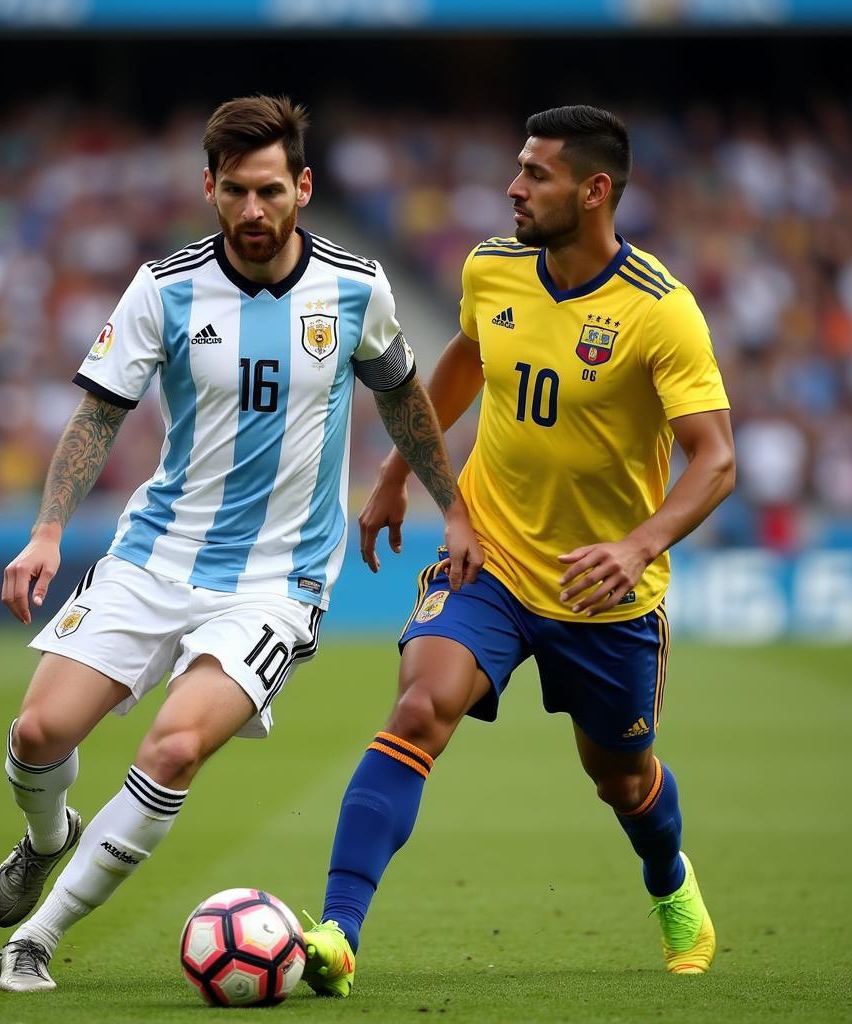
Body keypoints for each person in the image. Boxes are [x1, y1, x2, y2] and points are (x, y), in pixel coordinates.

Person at [0, 94, 483, 993]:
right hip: (156, 556)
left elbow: (404, 398)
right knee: (35, 732)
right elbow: (101, 413)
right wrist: (47, 530)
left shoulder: (356, 288)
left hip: (277, 582)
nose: (252, 213)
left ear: (301, 186)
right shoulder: (164, 288)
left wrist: (449, 504)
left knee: (172, 750)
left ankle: (39, 937)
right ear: (208, 189)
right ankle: (46, 835)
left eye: (269, 191)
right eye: (233, 193)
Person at [301, 105, 735, 996]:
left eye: (535, 173)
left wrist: (639, 543)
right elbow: (466, 362)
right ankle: (338, 933)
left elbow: (717, 459)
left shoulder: (661, 312)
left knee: (620, 778)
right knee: (420, 708)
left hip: (602, 593)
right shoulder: (491, 268)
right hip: (488, 557)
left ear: (594, 189)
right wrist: (393, 472)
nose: (513, 187)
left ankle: (668, 880)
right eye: (518, 169)